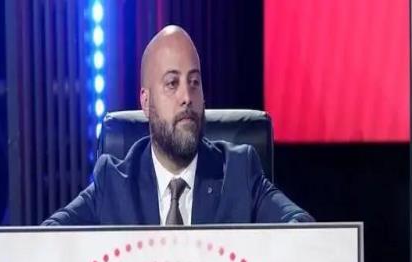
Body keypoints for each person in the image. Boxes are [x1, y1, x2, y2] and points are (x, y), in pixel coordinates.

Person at [43, 25, 313, 226]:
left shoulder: (239, 172)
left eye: (194, 82)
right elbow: (48, 239)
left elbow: (303, 230)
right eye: (172, 83)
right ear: (146, 102)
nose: (187, 97)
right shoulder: (113, 183)